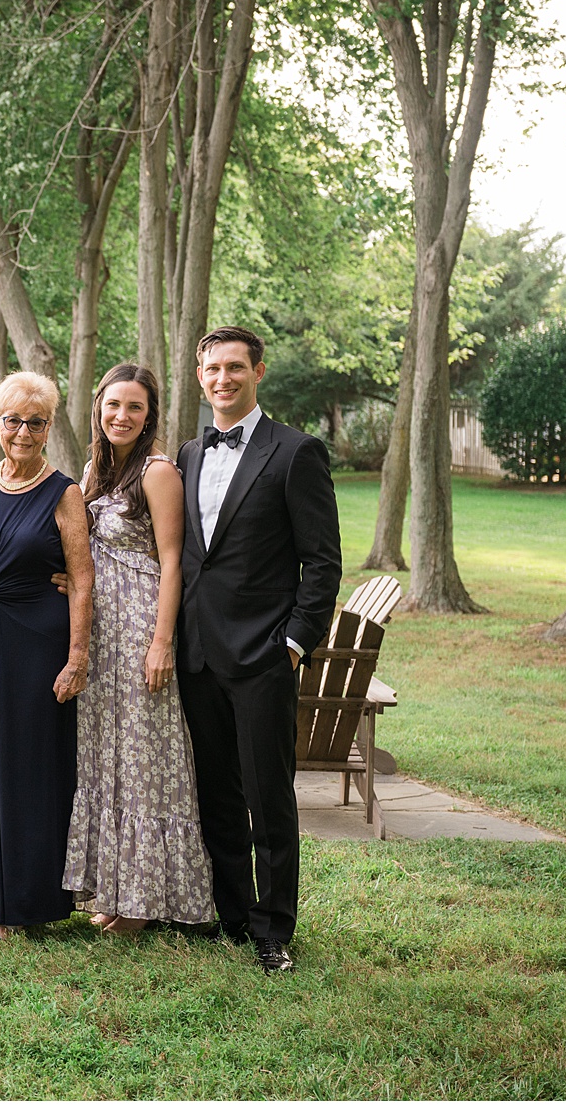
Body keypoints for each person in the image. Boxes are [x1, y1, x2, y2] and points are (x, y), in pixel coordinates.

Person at [175, 326, 341, 973]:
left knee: (268, 796)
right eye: (213, 368)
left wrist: (294, 644)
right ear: (200, 375)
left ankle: (275, 928)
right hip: (198, 654)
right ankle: (235, 913)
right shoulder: (188, 453)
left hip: (265, 657)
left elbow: (322, 563)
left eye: (235, 367)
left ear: (258, 372)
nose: (224, 378)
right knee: (216, 793)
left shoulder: (296, 452)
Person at [61, 364, 215, 936]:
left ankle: (146, 900)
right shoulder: (96, 471)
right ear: (98, 409)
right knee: (106, 756)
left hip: (141, 628)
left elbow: (173, 561)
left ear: (150, 415)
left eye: (134, 407)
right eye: (113, 405)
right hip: (100, 634)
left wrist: (161, 643)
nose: (121, 416)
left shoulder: (157, 472)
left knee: (145, 759)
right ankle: (114, 889)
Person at [0, 371, 93, 946]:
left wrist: (76, 656)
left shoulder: (64, 492)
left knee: (28, 767)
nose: (25, 431)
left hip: (37, 640)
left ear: (49, 427)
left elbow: (82, 581)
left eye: (37, 422)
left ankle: (23, 901)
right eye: (14, 420)